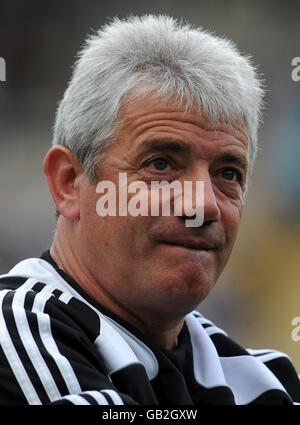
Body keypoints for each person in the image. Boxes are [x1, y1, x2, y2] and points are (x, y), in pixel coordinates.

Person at [0, 14, 299, 406]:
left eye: (228, 173)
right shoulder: (17, 332)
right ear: (69, 182)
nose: (204, 204)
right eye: (161, 164)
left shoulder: (265, 380)